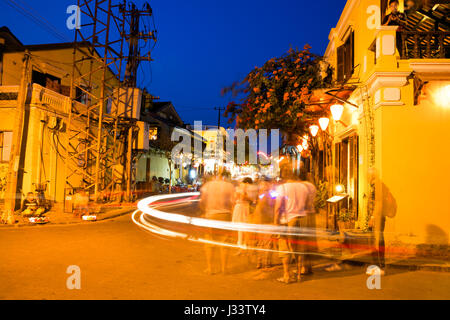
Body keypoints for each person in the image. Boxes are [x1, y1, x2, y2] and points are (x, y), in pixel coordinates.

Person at [274, 165, 311, 283]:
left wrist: (275, 223)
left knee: (285, 247)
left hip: (288, 220)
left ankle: (287, 275)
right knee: (299, 247)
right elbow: (307, 205)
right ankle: (299, 274)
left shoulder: (282, 188)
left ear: (283, 176)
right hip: (302, 219)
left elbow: (278, 207)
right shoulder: (303, 187)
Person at [200, 171, 235, 275]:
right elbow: (233, 202)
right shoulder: (229, 186)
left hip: (211, 215)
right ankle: (224, 268)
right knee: (225, 243)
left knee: (210, 243)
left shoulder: (208, 186)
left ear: (214, 176)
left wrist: (204, 211)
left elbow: (202, 201)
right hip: (225, 215)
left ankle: (210, 268)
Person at [251, 178, 275, 269]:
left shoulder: (260, 195)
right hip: (268, 221)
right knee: (267, 243)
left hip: (261, 221)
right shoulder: (270, 195)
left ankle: (260, 262)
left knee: (261, 242)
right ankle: (266, 262)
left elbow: (256, 207)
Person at [232, 177, 253, 250]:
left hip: (239, 206)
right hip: (243, 207)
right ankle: (243, 243)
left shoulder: (238, 188)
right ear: (247, 183)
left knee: (240, 226)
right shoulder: (244, 187)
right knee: (244, 226)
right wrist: (251, 199)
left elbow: (234, 198)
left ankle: (241, 243)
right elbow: (243, 197)